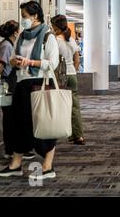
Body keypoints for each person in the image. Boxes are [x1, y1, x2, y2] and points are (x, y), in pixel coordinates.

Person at [0, 1, 60, 179]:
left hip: (41, 83)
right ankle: (15, 165)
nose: (22, 20)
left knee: (43, 125)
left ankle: (47, 167)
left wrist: (31, 62)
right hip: (22, 83)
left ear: (35, 16)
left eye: (24, 16)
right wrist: (14, 62)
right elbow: (13, 59)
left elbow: (52, 63)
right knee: (19, 125)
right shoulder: (23, 36)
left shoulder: (48, 36)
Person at [0, 21, 36, 161]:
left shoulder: (11, 45)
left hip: (12, 82)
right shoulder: (6, 46)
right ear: (15, 32)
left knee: (15, 118)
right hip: (8, 83)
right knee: (10, 118)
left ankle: (18, 148)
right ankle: (10, 149)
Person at [51, 15, 85, 145]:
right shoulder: (71, 40)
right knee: (75, 107)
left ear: (55, 27)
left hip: (60, 77)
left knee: (59, 106)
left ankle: (56, 133)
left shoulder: (55, 41)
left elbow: (53, 62)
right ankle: (78, 135)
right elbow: (77, 59)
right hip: (72, 75)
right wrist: (73, 71)